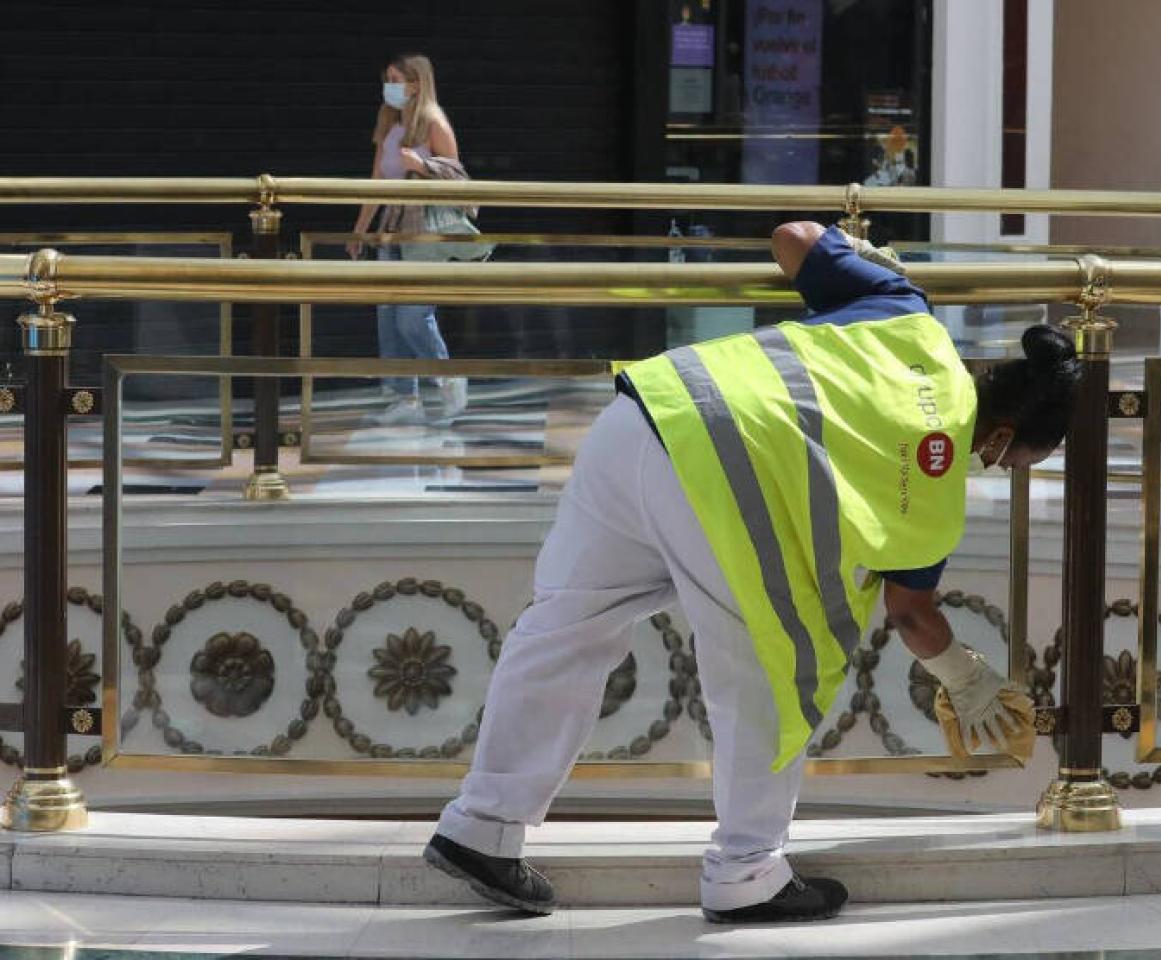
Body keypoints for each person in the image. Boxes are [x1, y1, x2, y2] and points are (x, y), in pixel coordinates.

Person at [423, 222, 1082, 922]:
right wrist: (967, 678)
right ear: (1005, 435)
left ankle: (482, 827)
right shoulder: (937, 493)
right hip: (723, 492)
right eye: (1009, 462)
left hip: (647, 417)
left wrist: (856, 254)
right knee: (779, 665)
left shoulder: (905, 313)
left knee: (564, 630)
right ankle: (747, 871)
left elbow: (792, 236)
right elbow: (911, 614)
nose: (994, 468)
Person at [347, 53, 468, 426]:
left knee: (413, 318)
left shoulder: (433, 122)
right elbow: (377, 182)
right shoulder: (390, 123)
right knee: (388, 316)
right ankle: (404, 396)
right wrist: (360, 229)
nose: (390, 86)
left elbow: (460, 179)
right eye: (388, 78)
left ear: (416, 83)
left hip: (423, 233)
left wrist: (423, 166)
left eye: (396, 78)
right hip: (391, 230)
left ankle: (448, 379)